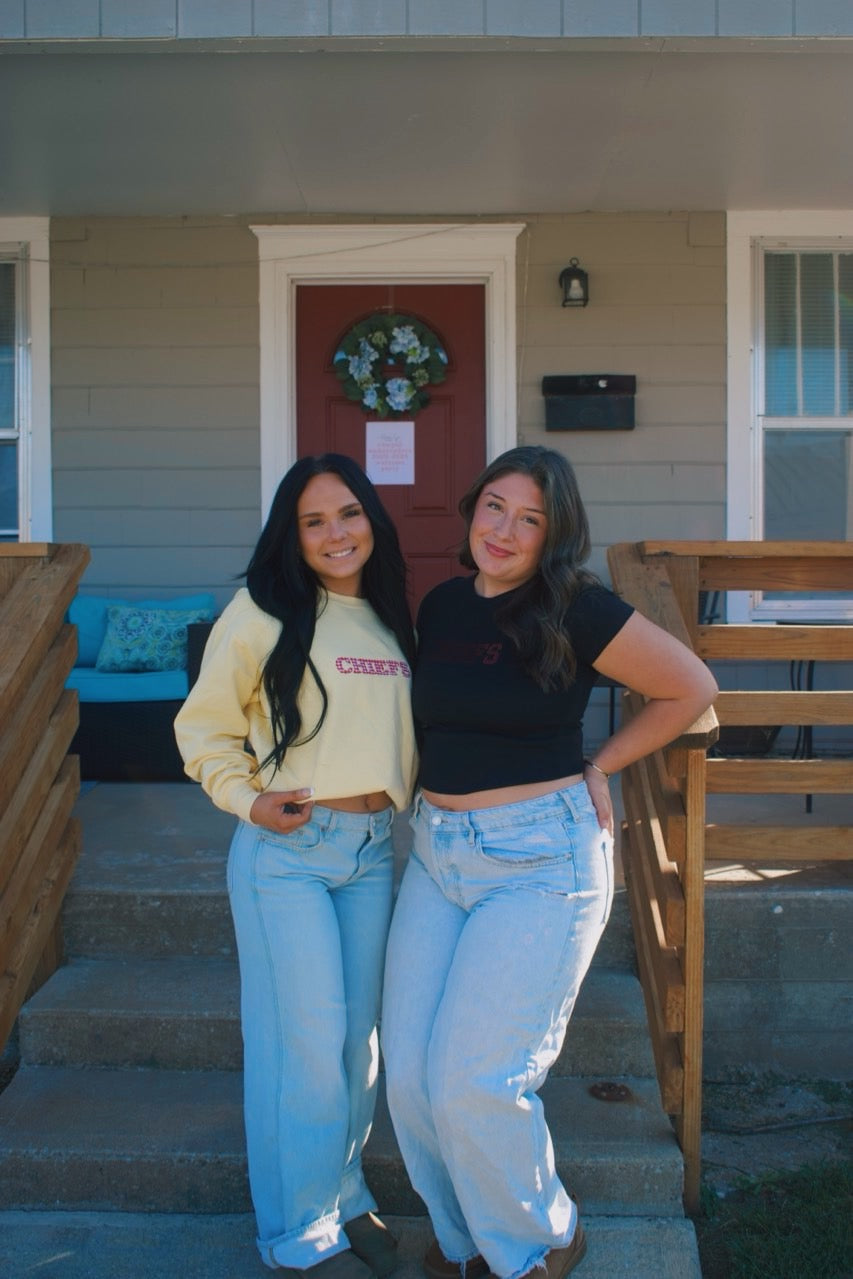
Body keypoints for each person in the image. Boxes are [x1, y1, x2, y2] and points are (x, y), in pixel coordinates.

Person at [381, 446, 717, 1279]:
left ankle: (539, 1239)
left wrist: (602, 764)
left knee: (477, 1079)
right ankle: (466, 1245)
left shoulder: (578, 606)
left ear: (552, 534)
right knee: (412, 1083)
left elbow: (689, 685)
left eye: (529, 518)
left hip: (539, 859)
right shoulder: (445, 603)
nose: (503, 529)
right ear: (471, 507)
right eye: (494, 506)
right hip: (437, 854)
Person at [174, 454, 418, 1279]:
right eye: (313, 521)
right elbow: (202, 729)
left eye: (347, 514)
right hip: (290, 852)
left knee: (358, 1045)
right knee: (303, 1044)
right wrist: (247, 800)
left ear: (371, 522)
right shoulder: (261, 611)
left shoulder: (389, 619)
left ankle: (344, 1193)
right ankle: (297, 1232)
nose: (334, 534)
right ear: (291, 533)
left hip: (373, 849)